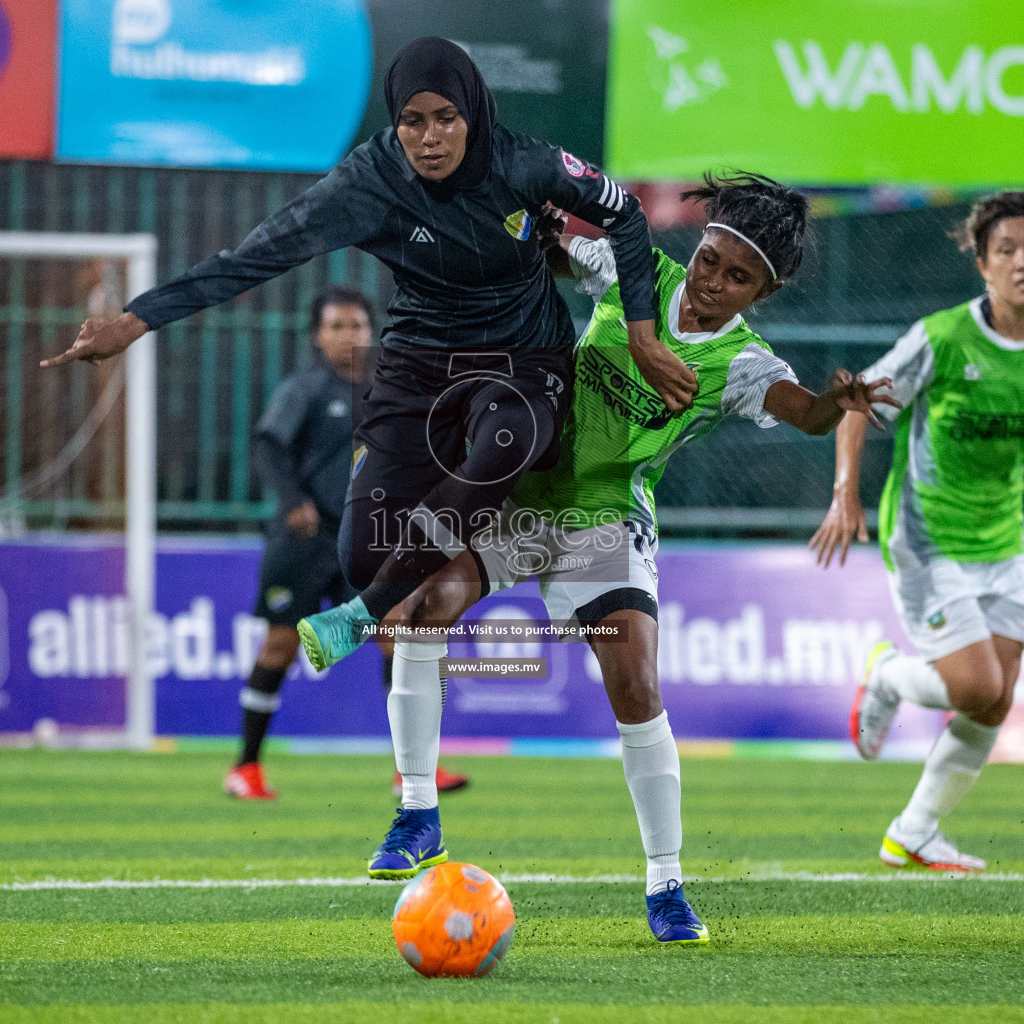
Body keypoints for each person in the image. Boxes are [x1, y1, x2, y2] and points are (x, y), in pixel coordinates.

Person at [40, 37, 696, 673]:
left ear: (473, 113)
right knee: (364, 554)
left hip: (524, 360)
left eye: (446, 118)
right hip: (420, 363)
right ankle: (406, 648)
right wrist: (134, 320)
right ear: (395, 120)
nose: (429, 137)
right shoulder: (366, 185)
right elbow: (254, 258)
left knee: (509, 436)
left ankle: (362, 615)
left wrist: (642, 336)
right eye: (412, 121)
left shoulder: (525, 163)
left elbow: (627, 216)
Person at [363, 173, 896, 945]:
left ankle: (667, 885)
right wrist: (521, 224)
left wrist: (834, 404)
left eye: (738, 277)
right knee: (420, 612)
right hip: (524, 494)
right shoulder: (633, 271)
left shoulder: (745, 365)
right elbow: (546, 251)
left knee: (636, 684)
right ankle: (417, 813)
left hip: (605, 522)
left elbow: (805, 413)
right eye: (712, 259)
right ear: (701, 245)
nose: (714, 282)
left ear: (762, 293)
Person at [810, 191, 1024, 873]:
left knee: (998, 698)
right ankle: (889, 676)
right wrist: (844, 496)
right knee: (979, 688)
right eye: (1006, 250)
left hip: (1000, 538)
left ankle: (913, 832)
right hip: (925, 535)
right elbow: (857, 402)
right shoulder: (944, 337)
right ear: (982, 265)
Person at [225, 286, 468, 801]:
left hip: (366, 540)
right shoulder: (305, 389)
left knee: (397, 636)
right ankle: (245, 768)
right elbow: (268, 445)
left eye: (356, 325)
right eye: (335, 326)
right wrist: (293, 501)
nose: (347, 335)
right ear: (317, 334)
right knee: (281, 644)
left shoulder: (386, 390)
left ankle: (413, 770)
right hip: (306, 540)